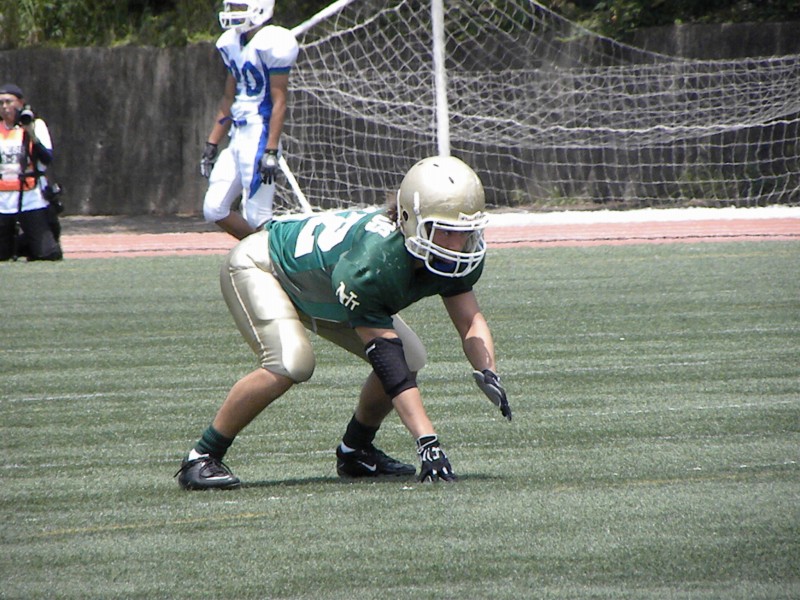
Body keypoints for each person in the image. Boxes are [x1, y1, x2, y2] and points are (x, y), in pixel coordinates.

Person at [176, 155, 513, 490]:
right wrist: (428, 443)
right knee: (291, 363)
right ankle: (201, 456)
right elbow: (390, 367)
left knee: (412, 357)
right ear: (410, 219)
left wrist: (488, 370)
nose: (457, 244)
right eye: (447, 231)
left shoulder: (443, 252)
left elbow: (469, 319)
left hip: (327, 286)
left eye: (464, 231)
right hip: (266, 266)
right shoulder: (374, 262)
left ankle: (356, 451)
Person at [200, 0, 299, 240]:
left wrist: (271, 150)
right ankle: (259, 251)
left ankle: (273, 257)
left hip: (259, 133)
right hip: (237, 134)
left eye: (239, 7)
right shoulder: (232, 43)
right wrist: (212, 142)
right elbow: (229, 98)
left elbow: (279, 101)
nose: (234, 13)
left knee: (257, 215)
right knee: (214, 208)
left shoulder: (272, 42)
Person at [0, 83, 62, 261]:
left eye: (9, 102)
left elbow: (46, 158)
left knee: (48, 254)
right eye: (1, 103)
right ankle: (16, 244)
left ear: (20, 103)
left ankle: (29, 244)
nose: (5, 107)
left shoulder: (36, 125)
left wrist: (31, 134)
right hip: (3, 202)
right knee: (3, 255)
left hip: (31, 199)